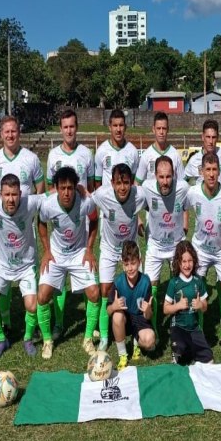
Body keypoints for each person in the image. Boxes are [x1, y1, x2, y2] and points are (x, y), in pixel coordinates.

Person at [0, 115, 45, 339]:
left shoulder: (31, 159)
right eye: (6, 131)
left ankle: (33, 325)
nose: (10, 135)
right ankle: (7, 320)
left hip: (25, 224)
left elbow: (40, 189)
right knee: (4, 276)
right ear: (1, 133)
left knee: (29, 273)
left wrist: (30, 213)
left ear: (19, 133)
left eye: (14, 131)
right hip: (4, 225)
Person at [37, 167, 100, 358]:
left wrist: (89, 250)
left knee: (95, 293)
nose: (66, 192)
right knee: (42, 296)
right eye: (62, 188)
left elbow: (95, 220)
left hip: (79, 253)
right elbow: (40, 223)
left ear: (75, 188)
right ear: (55, 188)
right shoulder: (48, 205)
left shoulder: (85, 203)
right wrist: (47, 251)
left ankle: (88, 339)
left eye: (70, 188)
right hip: (56, 255)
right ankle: (47, 340)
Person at [45, 108, 95, 341]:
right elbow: (49, 189)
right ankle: (59, 322)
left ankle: (90, 320)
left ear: (77, 127)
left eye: (72, 126)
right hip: (61, 220)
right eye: (65, 127)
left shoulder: (86, 153)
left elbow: (91, 187)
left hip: (81, 218)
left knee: (85, 269)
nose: (69, 131)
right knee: (58, 275)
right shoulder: (53, 155)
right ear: (60, 128)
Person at [0, 174, 44, 360]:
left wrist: (81, 190)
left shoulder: (30, 203)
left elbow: (53, 196)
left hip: (26, 266)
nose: (11, 199)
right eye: (7, 194)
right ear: (0, 194)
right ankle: (1, 339)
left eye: (14, 195)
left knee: (32, 307)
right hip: (2, 265)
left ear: (21, 194)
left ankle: (27, 339)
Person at [91, 163, 146, 352]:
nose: (122, 187)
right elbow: (87, 202)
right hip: (108, 248)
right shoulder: (101, 195)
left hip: (130, 251)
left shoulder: (140, 194)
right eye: (118, 183)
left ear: (131, 183)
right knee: (105, 290)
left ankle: (138, 332)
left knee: (139, 290)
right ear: (112, 183)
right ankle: (105, 336)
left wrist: (141, 223)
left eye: (126, 183)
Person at [186, 151, 221, 346]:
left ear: (219, 171)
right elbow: (180, 207)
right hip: (199, 249)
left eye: (214, 169)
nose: (211, 174)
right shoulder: (192, 192)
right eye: (207, 169)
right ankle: (197, 330)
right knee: (195, 291)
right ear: (201, 171)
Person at [140, 155, 190, 333]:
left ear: (174, 175)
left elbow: (188, 205)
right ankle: (152, 327)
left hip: (177, 244)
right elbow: (132, 202)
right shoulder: (146, 188)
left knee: (182, 285)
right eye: (161, 177)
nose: (165, 181)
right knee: (149, 288)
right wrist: (139, 221)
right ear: (155, 176)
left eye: (168, 176)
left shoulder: (183, 188)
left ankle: (181, 326)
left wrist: (185, 225)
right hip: (155, 245)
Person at [107, 241, 155, 370]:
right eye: (126, 264)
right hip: (125, 318)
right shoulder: (118, 282)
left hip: (140, 318)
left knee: (150, 341)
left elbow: (149, 316)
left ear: (140, 261)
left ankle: (136, 341)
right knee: (117, 315)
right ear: (122, 265)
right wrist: (114, 306)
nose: (130, 268)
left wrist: (148, 310)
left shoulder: (146, 281)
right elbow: (108, 311)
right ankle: (123, 355)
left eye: (133, 263)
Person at [163, 241, 212, 365]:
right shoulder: (174, 283)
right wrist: (177, 306)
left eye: (190, 261)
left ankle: (192, 349)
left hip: (194, 328)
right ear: (178, 263)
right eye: (183, 261)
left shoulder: (198, 281)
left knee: (209, 360)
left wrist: (201, 305)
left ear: (194, 261)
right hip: (178, 327)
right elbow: (165, 309)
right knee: (181, 356)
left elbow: (205, 307)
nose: (187, 265)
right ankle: (179, 351)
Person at [135, 111, 185, 185]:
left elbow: (183, 183)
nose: (161, 132)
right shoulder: (146, 155)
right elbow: (137, 182)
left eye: (164, 128)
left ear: (168, 129)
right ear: (153, 129)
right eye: (158, 128)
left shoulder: (175, 155)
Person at [95, 109, 139, 187]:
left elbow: (133, 181)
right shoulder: (101, 151)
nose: (118, 129)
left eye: (121, 125)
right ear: (110, 127)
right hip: (107, 198)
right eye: (115, 125)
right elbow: (98, 181)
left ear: (125, 127)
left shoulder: (133, 151)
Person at [183, 119, 221, 186]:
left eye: (214, 137)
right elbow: (182, 182)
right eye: (208, 137)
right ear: (202, 137)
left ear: (217, 137)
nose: (211, 141)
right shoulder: (194, 160)